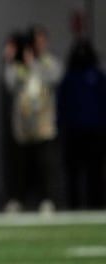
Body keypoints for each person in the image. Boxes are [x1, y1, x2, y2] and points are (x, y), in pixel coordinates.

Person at [2, 25, 63, 215]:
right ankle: (18, 199)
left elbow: (55, 77)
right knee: (21, 165)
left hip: (44, 124)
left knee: (46, 164)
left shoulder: (48, 61)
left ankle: (48, 199)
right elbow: (11, 83)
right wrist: (20, 60)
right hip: (22, 124)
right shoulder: (18, 65)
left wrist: (34, 62)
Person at [57, 37, 106, 209]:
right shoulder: (69, 78)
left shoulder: (97, 77)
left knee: (95, 171)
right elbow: (62, 105)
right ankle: (74, 205)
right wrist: (61, 127)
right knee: (73, 172)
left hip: (95, 131)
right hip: (74, 131)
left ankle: (96, 204)